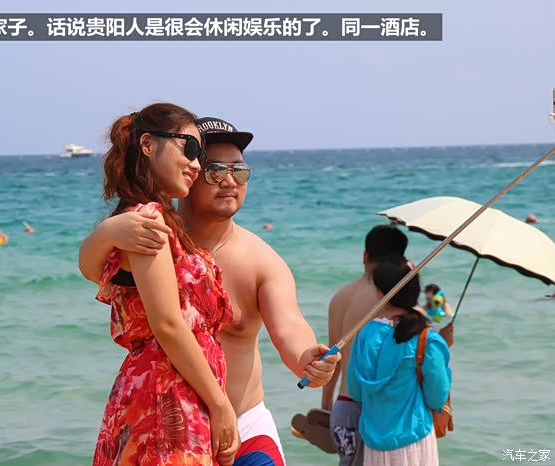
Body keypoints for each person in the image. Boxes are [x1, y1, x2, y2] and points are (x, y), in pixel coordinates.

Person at [80, 116, 340, 466]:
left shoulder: (261, 260)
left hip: (244, 426)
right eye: (215, 170)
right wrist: (106, 233)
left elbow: (290, 325)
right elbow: (94, 271)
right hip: (173, 428)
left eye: (240, 171)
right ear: (190, 172)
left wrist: (309, 358)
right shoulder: (151, 236)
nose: (230, 181)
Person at [87, 104, 240, 466]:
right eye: (190, 148)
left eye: (200, 155)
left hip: (170, 393)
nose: (196, 164)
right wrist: (220, 405)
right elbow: (168, 323)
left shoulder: (151, 220)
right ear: (147, 145)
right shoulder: (147, 220)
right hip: (165, 397)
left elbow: (92, 269)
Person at [347, 256, 452, 466]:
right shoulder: (427, 339)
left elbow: (356, 392)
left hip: (374, 443)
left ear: (380, 293)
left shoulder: (364, 334)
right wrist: (444, 346)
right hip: (415, 439)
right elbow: (437, 398)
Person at [322, 225, 409, 466]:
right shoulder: (388, 300)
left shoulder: (341, 295)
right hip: (369, 412)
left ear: (365, 256)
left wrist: (326, 406)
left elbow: (331, 357)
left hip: (342, 408)